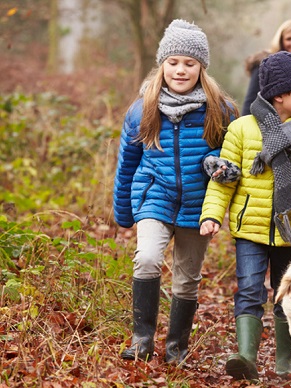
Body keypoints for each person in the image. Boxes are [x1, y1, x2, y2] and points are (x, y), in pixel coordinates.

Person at [199, 51, 291, 380]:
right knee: (248, 290)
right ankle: (246, 357)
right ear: (280, 95)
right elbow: (224, 178)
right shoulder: (242, 130)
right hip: (251, 229)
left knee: (287, 294)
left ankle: (287, 360)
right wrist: (213, 214)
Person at [113, 19, 239, 366]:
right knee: (148, 258)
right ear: (162, 64)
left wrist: (221, 169)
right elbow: (127, 164)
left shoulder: (221, 110)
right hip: (155, 198)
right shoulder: (142, 108)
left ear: (201, 67)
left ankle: (176, 348)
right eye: (173, 62)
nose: (180, 70)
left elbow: (233, 158)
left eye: (189, 63)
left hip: (198, 205)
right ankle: (142, 339)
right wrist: (123, 210)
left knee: (186, 279)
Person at [241, 18, 291, 122]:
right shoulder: (268, 65)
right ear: (281, 40)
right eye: (289, 39)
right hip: (271, 123)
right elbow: (251, 99)